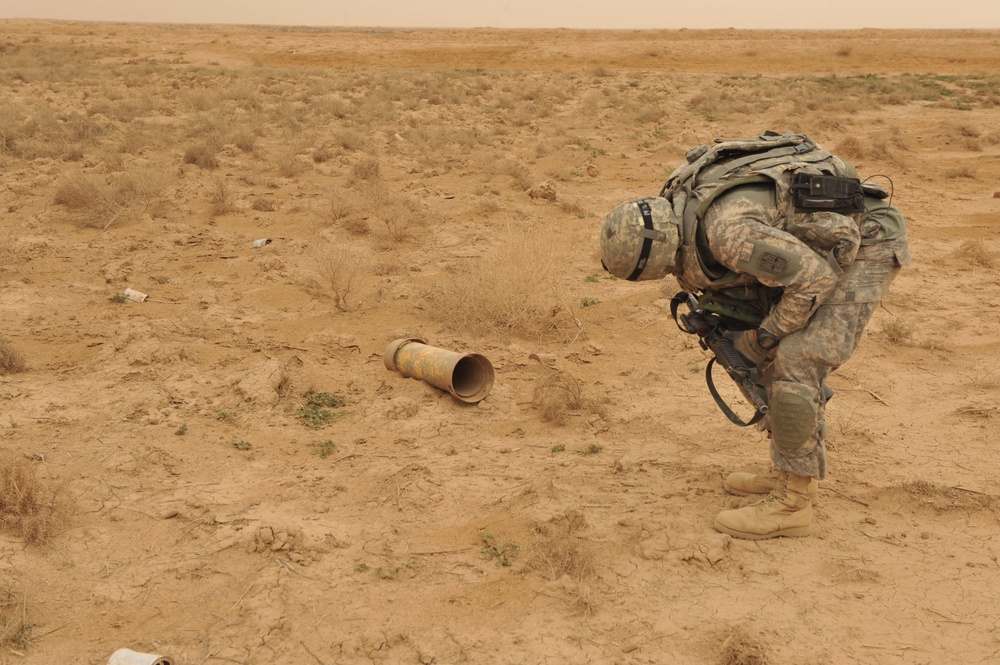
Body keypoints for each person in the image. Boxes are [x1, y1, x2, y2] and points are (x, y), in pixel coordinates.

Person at [599, 132, 910, 540]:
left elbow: (813, 280)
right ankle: (789, 468)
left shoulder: (728, 234)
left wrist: (766, 336)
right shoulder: (677, 205)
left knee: (797, 358)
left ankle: (792, 504)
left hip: (866, 243)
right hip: (813, 247)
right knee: (748, 344)